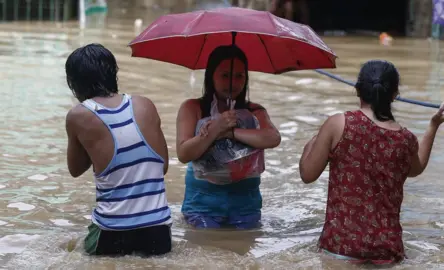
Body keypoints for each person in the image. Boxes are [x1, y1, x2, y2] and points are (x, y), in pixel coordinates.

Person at [299, 60, 444, 264]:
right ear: (395, 95)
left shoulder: (338, 123)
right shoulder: (405, 138)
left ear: (357, 90)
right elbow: (416, 168)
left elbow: (307, 175)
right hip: (387, 252)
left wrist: (314, 141)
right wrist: (434, 125)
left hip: (340, 248)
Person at [64, 43, 172, 256]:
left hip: (112, 232)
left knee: (70, 251)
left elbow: (75, 169)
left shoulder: (78, 116)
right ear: (113, 73)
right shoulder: (145, 105)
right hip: (158, 231)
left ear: (75, 82)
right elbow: (163, 166)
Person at [176, 45, 281, 229]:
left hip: (246, 201)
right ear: (211, 77)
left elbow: (272, 138)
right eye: (225, 75)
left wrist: (232, 132)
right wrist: (216, 129)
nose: (232, 83)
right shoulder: (192, 108)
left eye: (239, 76)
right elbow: (184, 154)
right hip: (202, 203)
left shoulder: (255, 111)